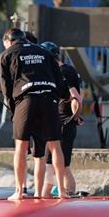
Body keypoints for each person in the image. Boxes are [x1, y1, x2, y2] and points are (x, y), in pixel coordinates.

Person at [0, 28, 68, 200]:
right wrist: (62, 97)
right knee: (55, 145)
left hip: (26, 99)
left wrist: (14, 111)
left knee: (21, 146)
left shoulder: (7, 54)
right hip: (49, 98)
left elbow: (6, 87)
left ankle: (19, 191)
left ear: (8, 41)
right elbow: (59, 81)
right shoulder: (44, 52)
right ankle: (63, 192)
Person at [40, 41, 83, 196]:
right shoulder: (68, 70)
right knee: (51, 164)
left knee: (63, 166)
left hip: (64, 123)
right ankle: (44, 196)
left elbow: (75, 97)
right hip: (59, 122)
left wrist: (74, 116)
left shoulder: (63, 71)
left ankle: (69, 194)